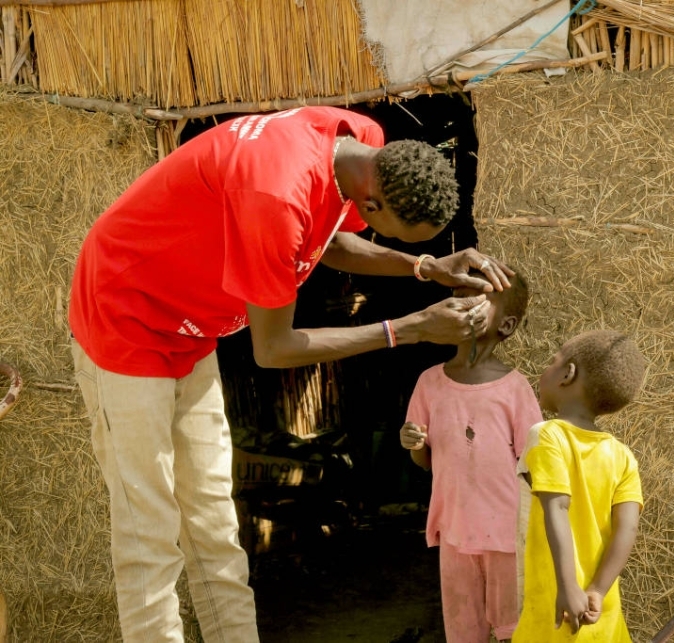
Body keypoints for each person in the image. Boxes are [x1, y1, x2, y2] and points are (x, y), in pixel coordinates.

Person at [68, 105, 512, 643]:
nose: (411, 250)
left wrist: (421, 267)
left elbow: (328, 240)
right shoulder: (274, 194)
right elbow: (274, 349)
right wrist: (409, 328)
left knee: (212, 522)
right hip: (126, 316)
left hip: (190, 330)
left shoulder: (358, 143)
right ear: (372, 200)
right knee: (150, 530)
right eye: (407, 237)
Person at [400, 269, 543, 643]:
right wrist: (416, 445)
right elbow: (426, 461)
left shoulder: (514, 388)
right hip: (455, 532)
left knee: (515, 630)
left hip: (507, 536)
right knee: (464, 631)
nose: (462, 307)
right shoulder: (429, 383)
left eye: (476, 301)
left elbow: (534, 466)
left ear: (506, 325)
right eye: (457, 297)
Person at [513, 330, 647, 642]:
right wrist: (597, 590)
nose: (544, 370)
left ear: (567, 374)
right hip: (599, 608)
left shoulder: (547, 435)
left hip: (557, 605)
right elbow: (627, 529)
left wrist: (568, 585)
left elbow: (557, 505)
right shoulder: (623, 456)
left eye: (553, 362)